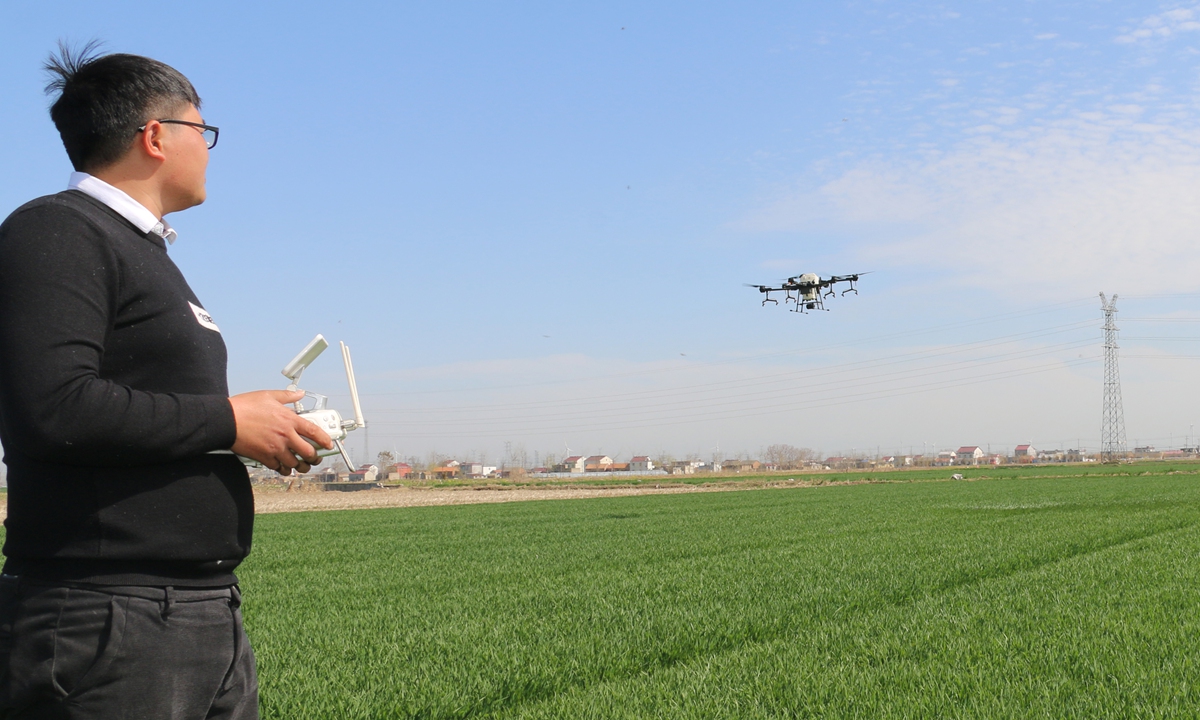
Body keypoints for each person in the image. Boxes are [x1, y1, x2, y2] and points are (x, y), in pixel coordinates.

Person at [0, 44, 333, 719]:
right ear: (155, 136)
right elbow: (55, 408)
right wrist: (230, 422)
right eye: (202, 131)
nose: (209, 150)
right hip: (106, 619)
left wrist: (252, 430)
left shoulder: (145, 252)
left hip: (194, 610)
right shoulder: (56, 232)